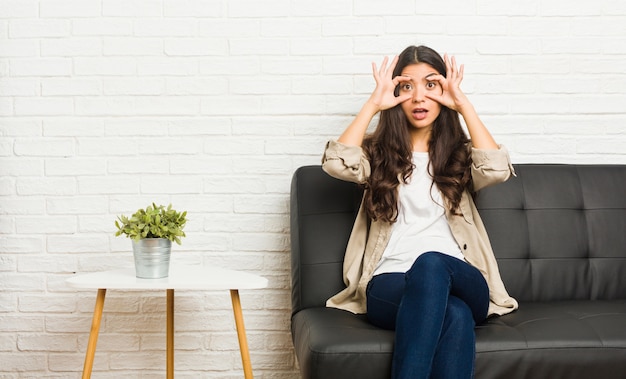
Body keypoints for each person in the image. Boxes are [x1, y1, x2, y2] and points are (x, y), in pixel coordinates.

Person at [321, 45, 519, 379]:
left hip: (462, 279)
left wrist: (463, 104)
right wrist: (373, 104)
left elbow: (497, 169)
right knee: (454, 315)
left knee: (431, 262)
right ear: (395, 93)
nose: (418, 98)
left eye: (431, 85)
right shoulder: (377, 153)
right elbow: (335, 164)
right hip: (390, 282)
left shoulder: (460, 154)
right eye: (407, 86)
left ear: (444, 91)